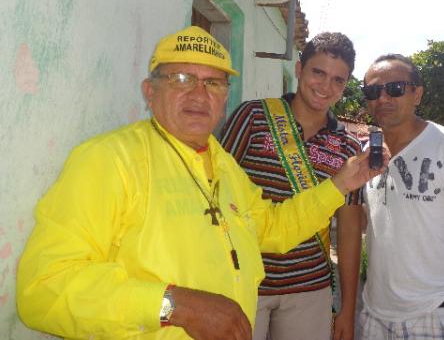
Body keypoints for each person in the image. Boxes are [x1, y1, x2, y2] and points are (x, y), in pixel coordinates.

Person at [16, 26, 386, 340]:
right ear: (149, 91)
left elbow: (272, 226)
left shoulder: (221, 164)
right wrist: (173, 306)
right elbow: (43, 290)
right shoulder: (109, 159)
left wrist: (340, 183)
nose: (199, 94)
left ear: (224, 97)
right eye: (181, 79)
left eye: (213, 83)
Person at [220, 32, 362, 340]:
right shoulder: (253, 117)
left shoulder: (348, 147)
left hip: (309, 288)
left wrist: (347, 309)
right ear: (299, 70)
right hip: (242, 281)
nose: (326, 87)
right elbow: (212, 190)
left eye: (338, 80)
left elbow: (349, 230)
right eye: (318, 72)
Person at [358, 54, 444, 340]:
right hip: (374, 314)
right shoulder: (366, 154)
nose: (382, 98)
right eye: (372, 91)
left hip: (432, 313)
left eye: (395, 88)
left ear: (417, 94)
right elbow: (361, 225)